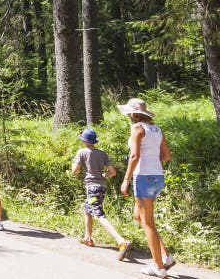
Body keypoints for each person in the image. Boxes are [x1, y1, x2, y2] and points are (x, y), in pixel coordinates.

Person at [118, 98, 175, 277]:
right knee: (140, 217)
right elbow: (166, 156)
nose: (127, 115)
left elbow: (134, 156)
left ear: (133, 114)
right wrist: (151, 162)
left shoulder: (137, 128)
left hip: (142, 178)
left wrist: (125, 180)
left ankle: (158, 267)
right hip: (157, 177)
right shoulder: (156, 129)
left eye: (128, 112)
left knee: (147, 222)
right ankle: (165, 257)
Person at [71, 128, 131, 258]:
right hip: (101, 186)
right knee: (87, 208)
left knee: (98, 214)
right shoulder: (102, 153)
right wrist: (103, 174)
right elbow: (113, 172)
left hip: (92, 187)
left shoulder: (81, 152)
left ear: (84, 141)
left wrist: (79, 165)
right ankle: (88, 238)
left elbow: (74, 170)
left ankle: (121, 241)